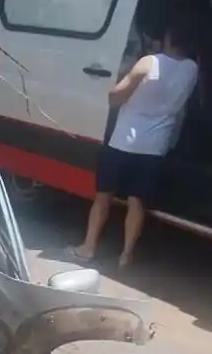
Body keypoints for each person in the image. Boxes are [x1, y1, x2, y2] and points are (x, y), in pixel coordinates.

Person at [71, 17, 199, 269]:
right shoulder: (191, 69)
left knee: (103, 197)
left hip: (123, 143)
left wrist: (128, 70)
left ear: (167, 39)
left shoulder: (148, 62)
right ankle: (126, 255)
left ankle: (88, 248)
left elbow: (115, 97)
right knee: (137, 202)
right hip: (155, 148)